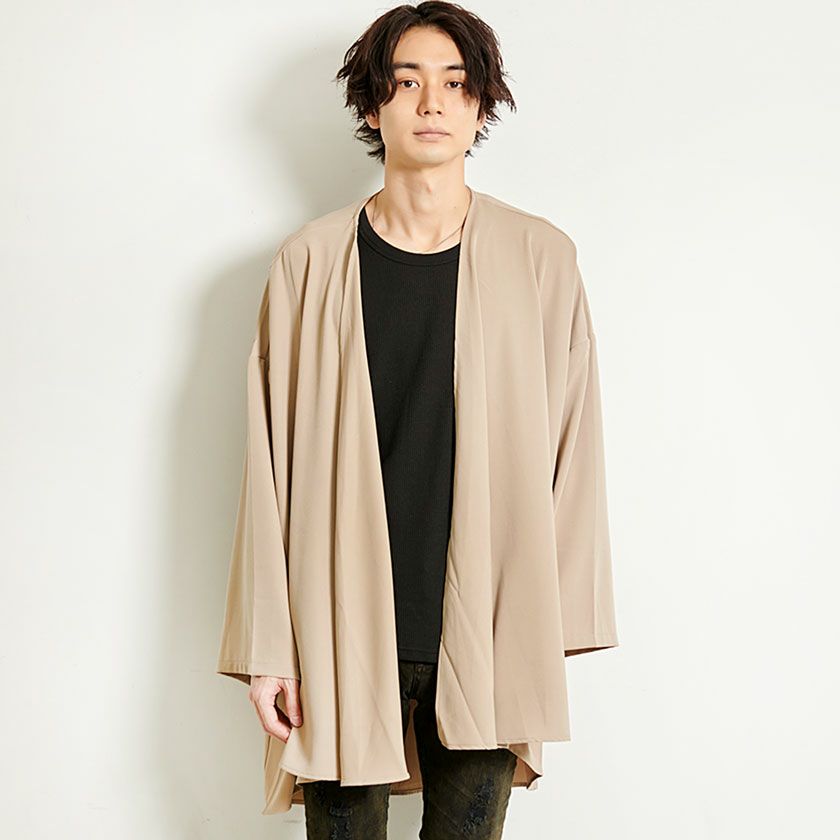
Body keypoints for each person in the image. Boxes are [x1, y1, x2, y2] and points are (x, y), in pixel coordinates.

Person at [216, 3, 619, 838]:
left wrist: (552, 619)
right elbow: (269, 468)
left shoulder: (541, 259)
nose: (432, 103)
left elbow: (574, 446)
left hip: (489, 625)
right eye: (406, 83)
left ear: (480, 104)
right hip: (337, 624)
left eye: (455, 84)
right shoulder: (309, 264)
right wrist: (270, 647)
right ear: (373, 107)